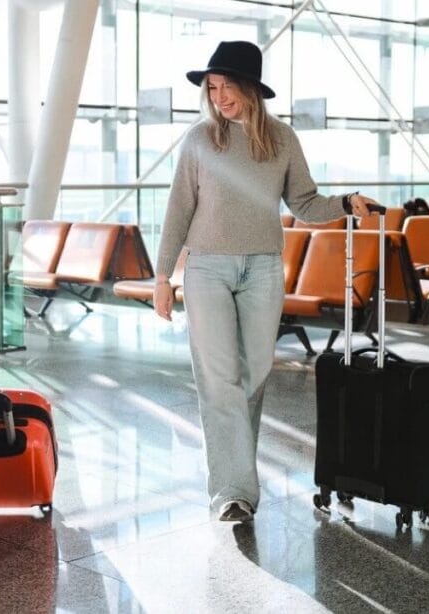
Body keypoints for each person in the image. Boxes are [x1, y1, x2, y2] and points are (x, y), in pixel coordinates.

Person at [153, 41, 377, 523]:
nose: (219, 98)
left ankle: (236, 484)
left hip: (263, 269)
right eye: (212, 89)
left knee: (252, 377)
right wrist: (162, 277)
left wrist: (343, 203)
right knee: (219, 380)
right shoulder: (198, 140)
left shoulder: (281, 140)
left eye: (227, 87)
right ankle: (233, 493)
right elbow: (178, 212)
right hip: (207, 268)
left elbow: (305, 203)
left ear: (251, 88)